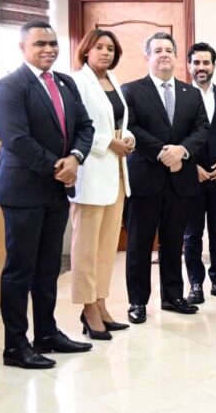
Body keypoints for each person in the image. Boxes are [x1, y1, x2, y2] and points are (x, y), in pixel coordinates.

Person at [0, 20, 95, 369]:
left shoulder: (65, 82)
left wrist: (76, 157)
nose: (49, 49)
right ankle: (15, 345)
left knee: (48, 267)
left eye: (53, 43)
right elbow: (16, 139)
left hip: (56, 190)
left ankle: (47, 334)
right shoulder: (9, 86)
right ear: (22, 47)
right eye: (40, 44)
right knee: (20, 269)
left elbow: (85, 127)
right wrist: (58, 167)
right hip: (23, 190)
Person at [122, 32, 209, 323]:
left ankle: (173, 297)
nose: (164, 55)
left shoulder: (191, 93)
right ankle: (137, 302)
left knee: (173, 242)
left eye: (169, 50)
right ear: (147, 56)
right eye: (158, 50)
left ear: (176, 56)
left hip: (180, 180)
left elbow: (202, 129)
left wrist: (181, 150)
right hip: (145, 178)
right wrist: (162, 152)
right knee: (139, 244)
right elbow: (131, 127)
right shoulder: (131, 90)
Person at [68, 29, 133, 340]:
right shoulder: (77, 82)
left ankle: (102, 304)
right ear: (86, 50)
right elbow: (76, 127)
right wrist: (108, 142)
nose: (105, 52)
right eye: (99, 47)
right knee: (86, 249)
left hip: (117, 173)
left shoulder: (114, 81)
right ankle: (88, 308)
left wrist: (127, 138)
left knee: (107, 247)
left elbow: (120, 122)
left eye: (110, 48)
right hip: (91, 172)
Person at [183, 43, 216, 305]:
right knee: (192, 234)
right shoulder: (181, 96)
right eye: (196, 62)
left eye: (206, 62)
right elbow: (176, 136)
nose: (201, 67)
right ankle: (195, 283)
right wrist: (191, 167)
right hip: (190, 177)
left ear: (214, 66)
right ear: (189, 66)